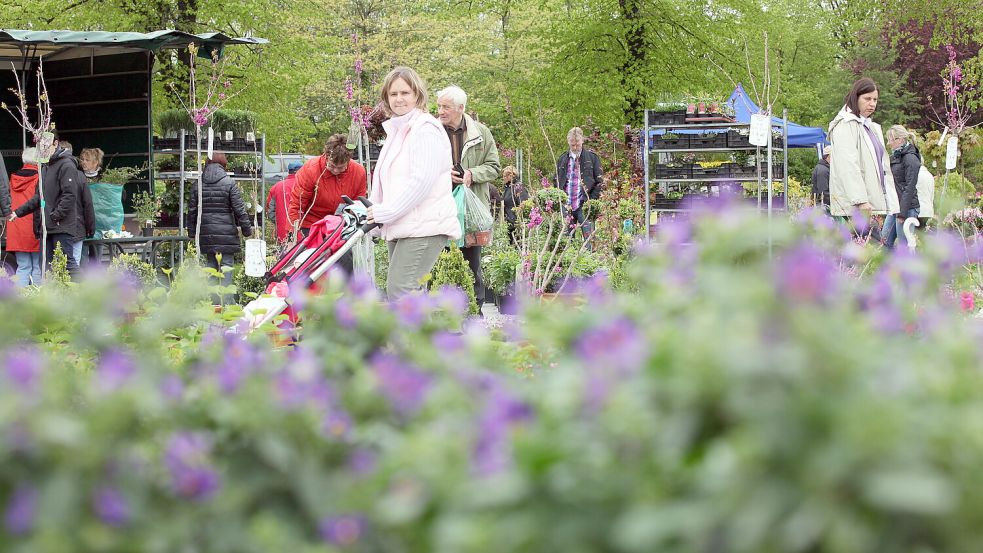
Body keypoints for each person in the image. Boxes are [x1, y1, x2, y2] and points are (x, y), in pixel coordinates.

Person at [366, 66, 461, 299]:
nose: (399, 99)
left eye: (405, 93)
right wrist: (370, 209)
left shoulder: (425, 129)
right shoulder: (398, 131)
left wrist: (386, 212)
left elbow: (421, 182)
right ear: (386, 98)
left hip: (424, 225)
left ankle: (409, 337)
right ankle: (423, 336)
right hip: (403, 223)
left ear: (417, 95)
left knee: (401, 290)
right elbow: (387, 179)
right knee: (412, 295)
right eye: (393, 94)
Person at [436, 85, 501, 308]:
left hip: (471, 210)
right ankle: (441, 310)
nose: (441, 111)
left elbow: (494, 167)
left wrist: (472, 174)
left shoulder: (481, 133)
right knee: (439, 259)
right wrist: (444, 175)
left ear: (461, 108)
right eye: (439, 106)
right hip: (439, 207)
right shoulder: (433, 132)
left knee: (472, 262)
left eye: (446, 107)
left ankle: (475, 309)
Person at [827, 77, 899, 232]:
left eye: (875, 99)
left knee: (870, 251)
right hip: (856, 206)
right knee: (860, 252)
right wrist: (861, 201)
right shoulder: (845, 125)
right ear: (856, 97)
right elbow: (848, 166)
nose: (872, 104)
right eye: (867, 99)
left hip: (869, 204)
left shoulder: (869, 127)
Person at [289, 134, 367, 275]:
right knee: (313, 265)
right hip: (312, 225)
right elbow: (297, 205)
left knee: (345, 262)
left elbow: (358, 204)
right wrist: (293, 235)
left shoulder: (358, 172)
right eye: (332, 166)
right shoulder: (311, 170)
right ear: (325, 156)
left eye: (341, 167)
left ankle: (346, 295)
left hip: (340, 226)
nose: (336, 170)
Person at [9, 142, 80, 279]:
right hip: (48, 226)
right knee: (46, 267)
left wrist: (55, 216)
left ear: (55, 143)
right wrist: (18, 212)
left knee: (67, 265)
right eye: (40, 146)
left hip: (60, 225)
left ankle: (85, 296)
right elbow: (39, 198)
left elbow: (69, 195)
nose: (42, 149)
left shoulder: (66, 164)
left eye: (45, 146)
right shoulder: (45, 167)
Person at [188, 153, 252, 302]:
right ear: (223, 165)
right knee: (227, 265)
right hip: (226, 231)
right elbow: (239, 209)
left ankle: (212, 302)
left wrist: (192, 232)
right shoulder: (229, 183)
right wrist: (246, 230)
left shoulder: (197, 184)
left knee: (210, 264)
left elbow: (192, 211)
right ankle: (227, 302)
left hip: (206, 231)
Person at [556, 127, 603, 237]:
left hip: (585, 204)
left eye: (578, 144)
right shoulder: (562, 159)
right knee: (565, 241)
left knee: (588, 239)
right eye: (573, 145)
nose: (575, 147)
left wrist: (591, 200)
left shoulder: (592, 158)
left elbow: (600, 181)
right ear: (568, 142)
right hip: (566, 205)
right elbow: (557, 180)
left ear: (582, 140)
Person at [882, 125, 923, 249]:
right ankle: (887, 268)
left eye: (891, 140)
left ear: (900, 140)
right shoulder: (896, 156)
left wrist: (902, 213)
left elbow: (909, 187)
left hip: (907, 208)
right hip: (895, 206)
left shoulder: (910, 158)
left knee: (904, 246)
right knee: (885, 241)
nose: (888, 143)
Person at [7, 148, 41, 286]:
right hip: (34, 228)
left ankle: (21, 301)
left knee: (23, 267)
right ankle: (38, 302)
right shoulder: (40, 178)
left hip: (16, 228)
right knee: (38, 267)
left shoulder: (13, 179)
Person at [70, 146, 97, 265]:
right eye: (82, 159)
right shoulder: (78, 176)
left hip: (98, 223)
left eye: (87, 160)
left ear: (95, 162)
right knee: (81, 258)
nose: (84, 162)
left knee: (96, 257)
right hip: (82, 225)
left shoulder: (104, 176)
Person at [265, 161, 302, 243]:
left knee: (284, 255)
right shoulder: (306, 186)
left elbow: (269, 210)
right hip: (302, 233)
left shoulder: (276, 187)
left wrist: (279, 221)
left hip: (282, 233)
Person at [501, 165, 529, 243]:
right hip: (509, 223)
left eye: (504, 176)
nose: (503, 178)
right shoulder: (508, 188)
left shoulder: (518, 187)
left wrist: (517, 220)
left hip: (516, 223)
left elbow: (523, 203)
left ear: (511, 176)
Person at [810, 145, 831, 213]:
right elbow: (823, 192)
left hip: (822, 205)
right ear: (829, 156)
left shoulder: (823, 168)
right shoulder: (823, 170)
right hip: (823, 207)